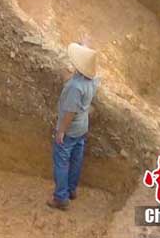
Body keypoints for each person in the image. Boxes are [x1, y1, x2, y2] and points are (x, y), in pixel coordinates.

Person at [48, 42, 101, 211]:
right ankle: (71, 190)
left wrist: (61, 130)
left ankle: (61, 198)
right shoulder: (91, 81)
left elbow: (69, 112)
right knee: (76, 159)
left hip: (70, 129)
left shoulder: (75, 87)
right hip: (82, 127)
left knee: (61, 162)